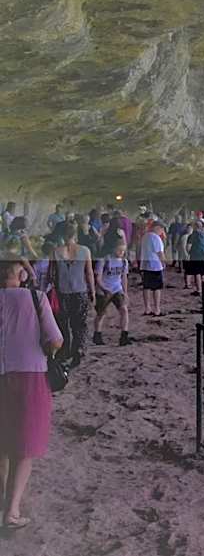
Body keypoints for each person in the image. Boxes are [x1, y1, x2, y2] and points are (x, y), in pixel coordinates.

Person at [0, 257, 63, 530]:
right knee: (25, 445)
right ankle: (12, 511)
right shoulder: (36, 298)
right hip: (30, 374)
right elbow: (56, 340)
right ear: (21, 274)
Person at [51, 224, 95, 368]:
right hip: (80, 291)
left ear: (63, 235)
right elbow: (89, 273)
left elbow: (52, 274)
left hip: (63, 292)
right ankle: (78, 350)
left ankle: (65, 351)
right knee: (79, 323)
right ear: (75, 235)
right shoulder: (85, 250)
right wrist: (92, 291)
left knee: (63, 323)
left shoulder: (56, 252)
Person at [92, 241, 130, 346]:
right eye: (119, 250)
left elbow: (124, 278)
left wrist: (125, 292)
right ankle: (97, 334)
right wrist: (104, 289)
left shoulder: (124, 262)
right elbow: (98, 278)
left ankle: (124, 335)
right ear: (113, 249)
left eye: (123, 251)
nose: (121, 252)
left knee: (124, 310)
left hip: (117, 288)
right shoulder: (104, 260)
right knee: (101, 313)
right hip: (104, 289)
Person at [139, 221, 166, 316]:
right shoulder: (156, 238)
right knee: (157, 288)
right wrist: (164, 263)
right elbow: (160, 253)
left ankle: (147, 308)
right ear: (157, 227)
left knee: (146, 287)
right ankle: (157, 309)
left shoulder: (145, 236)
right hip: (155, 266)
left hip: (145, 265)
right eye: (162, 229)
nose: (162, 232)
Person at [185, 220, 204, 296]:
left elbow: (188, 247)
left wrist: (190, 253)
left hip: (195, 256)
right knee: (203, 274)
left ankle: (199, 290)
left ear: (195, 226)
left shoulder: (192, 235)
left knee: (197, 273)